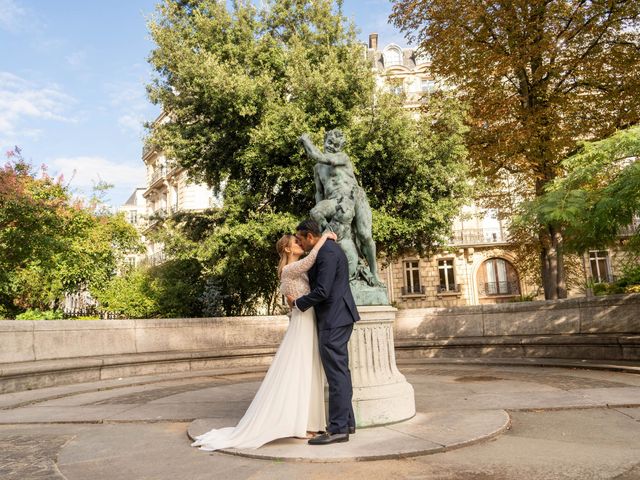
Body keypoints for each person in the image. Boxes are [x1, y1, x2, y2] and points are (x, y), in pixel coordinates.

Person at [191, 230, 336, 451]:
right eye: (296, 242)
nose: (300, 244)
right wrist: (324, 237)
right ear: (287, 248)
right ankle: (298, 424)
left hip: (308, 320)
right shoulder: (289, 269)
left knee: (309, 370)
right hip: (302, 323)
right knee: (301, 370)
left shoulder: (294, 270)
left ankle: (309, 422)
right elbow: (312, 258)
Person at [287, 219, 360, 445]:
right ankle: (347, 422)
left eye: (300, 239)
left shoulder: (327, 252)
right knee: (341, 372)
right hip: (339, 316)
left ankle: (337, 429)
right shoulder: (327, 248)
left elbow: (322, 291)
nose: (299, 243)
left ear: (310, 236)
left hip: (333, 318)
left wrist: (298, 303)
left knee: (336, 374)